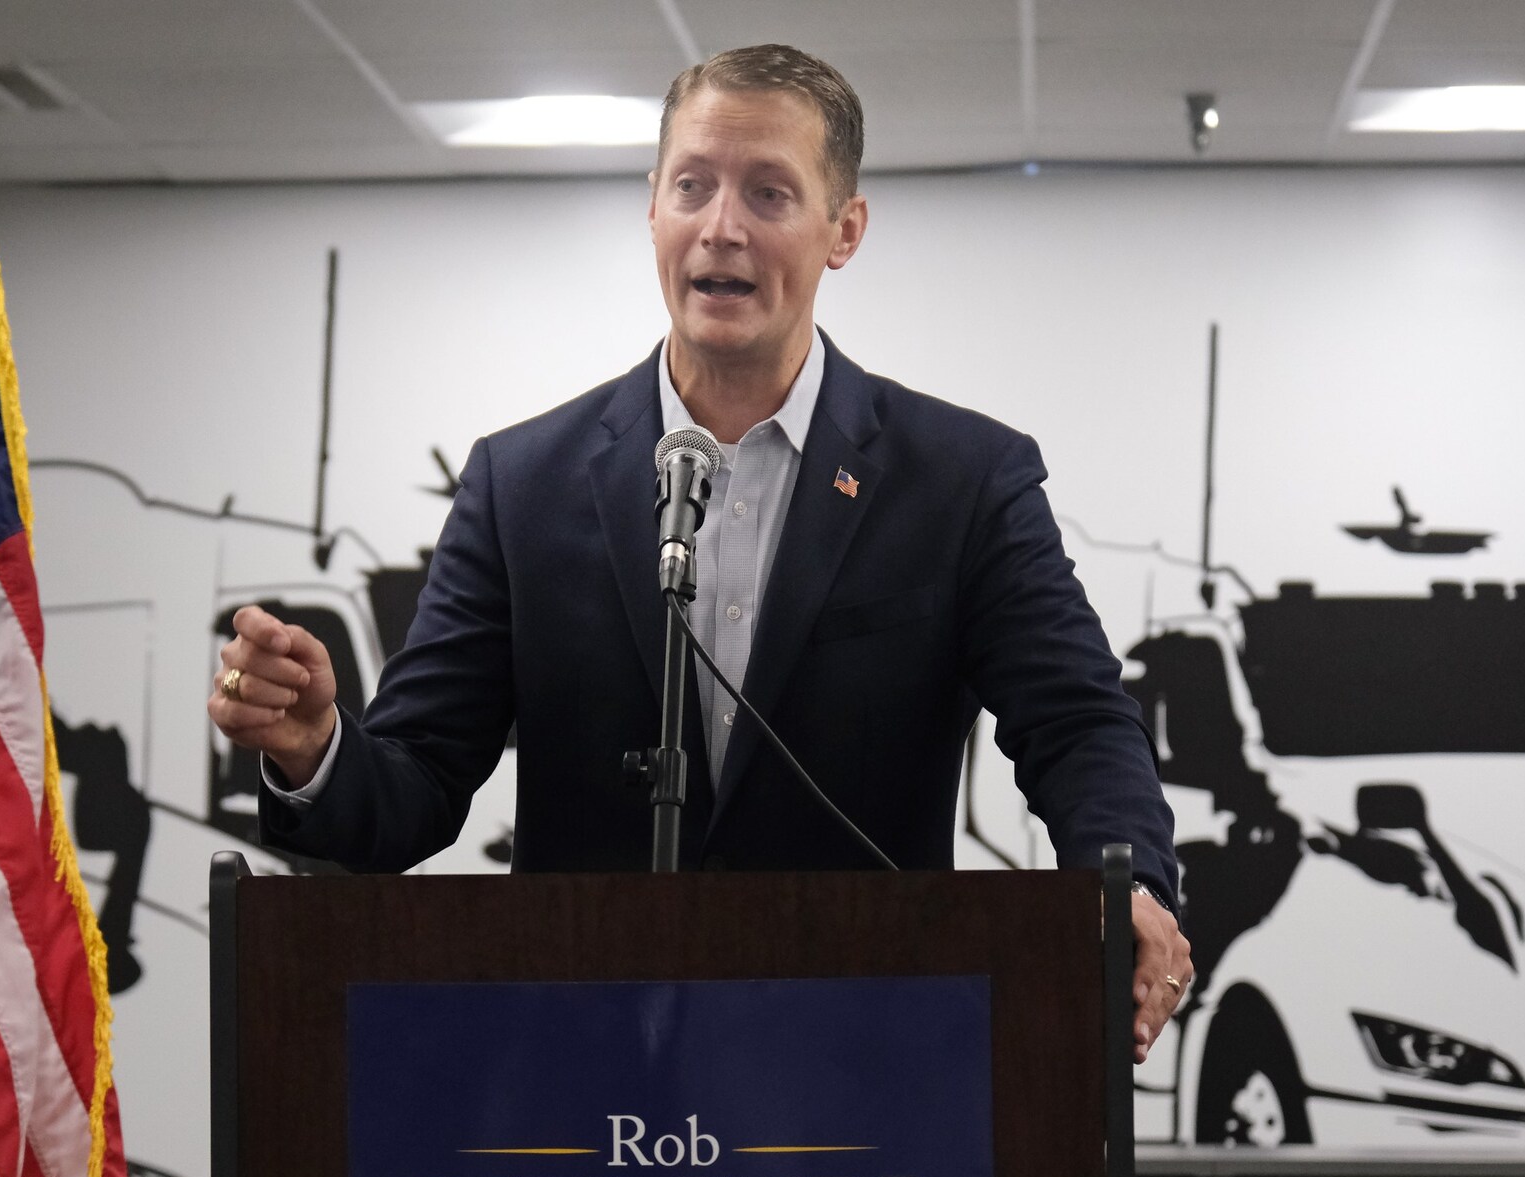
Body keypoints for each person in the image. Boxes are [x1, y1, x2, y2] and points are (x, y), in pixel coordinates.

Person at [206, 45, 1195, 1061]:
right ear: (653, 207)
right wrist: (314, 746)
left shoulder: (960, 480)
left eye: (769, 192)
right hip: (589, 1074)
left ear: (842, 230)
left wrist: (1132, 887)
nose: (721, 226)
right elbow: (412, 790)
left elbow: (1076, 722)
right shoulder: (523, 484)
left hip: (867, 1068)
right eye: (693, 186)